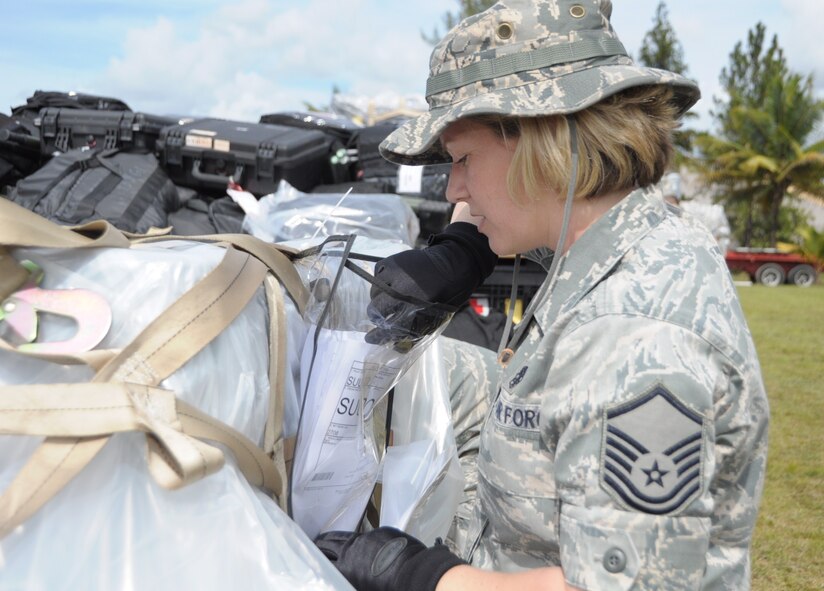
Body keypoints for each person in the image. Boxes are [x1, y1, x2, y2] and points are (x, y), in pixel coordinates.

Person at [315, 1, 770, 590]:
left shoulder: (632, 335)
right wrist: (466, 245)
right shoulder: (603, 247)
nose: (453, 186)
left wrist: (422, 576)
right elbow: (541, 396)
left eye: (463, 160)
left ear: (542, 141)